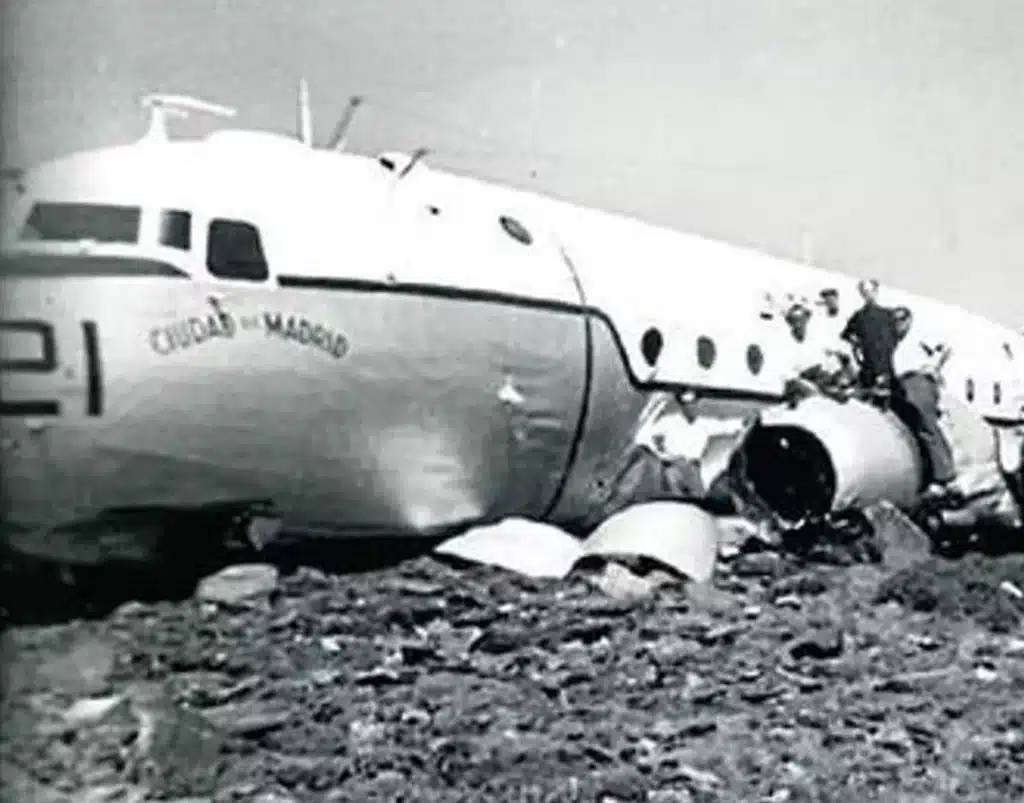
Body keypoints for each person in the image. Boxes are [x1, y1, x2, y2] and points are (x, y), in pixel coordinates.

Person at [890, 306, 956, 496]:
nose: (898, 324)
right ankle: (927, 474)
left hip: (918, 380)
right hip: (902, 383)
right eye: (895, 321)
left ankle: (944, 476)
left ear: (909, 319)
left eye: (902, 319)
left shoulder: (919, 335)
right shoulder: (897, 342)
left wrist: (933, 367)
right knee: (912, 428)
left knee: (927, 425)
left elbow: (945, 347)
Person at [840, 278, 900, 400]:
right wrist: (857, 344)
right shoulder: (859, 316)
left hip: (885, 364)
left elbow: (895, 337)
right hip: (868, 363)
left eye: (870, 291)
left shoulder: (887, 314)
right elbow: (845, 335)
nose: (868, 294)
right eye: (864, 292)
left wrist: (886, 349)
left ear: (876, 291)